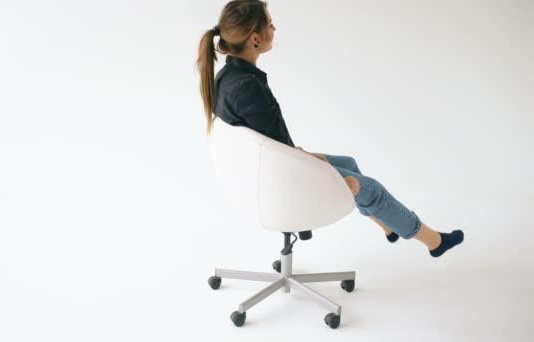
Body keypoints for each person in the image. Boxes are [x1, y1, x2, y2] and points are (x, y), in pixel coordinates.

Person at [195, 0, 464, 258]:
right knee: (372, 189)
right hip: (283, 186)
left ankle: (388, 226)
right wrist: (334, 180)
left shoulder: (229, 77)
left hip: (265, 175)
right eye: (270, 24)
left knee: (349, 162)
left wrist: (311, 157)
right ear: (255, 38)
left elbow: (271, 143)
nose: (274, 30)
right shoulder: (248, 88)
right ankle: (434, 242)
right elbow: (278, 149)